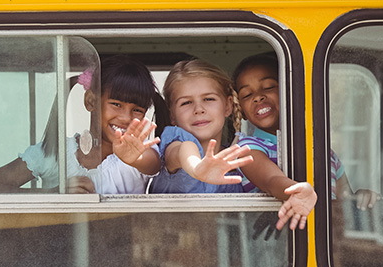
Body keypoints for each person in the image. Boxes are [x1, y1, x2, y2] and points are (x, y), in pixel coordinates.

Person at [130, 58, 314, 230]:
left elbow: (269, 181)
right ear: (172, 115)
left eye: (208, 99)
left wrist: (294, 192)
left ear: (228, 106)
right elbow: (183, 151)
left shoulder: (234, 157)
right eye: (186, 103)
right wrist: (196, 168)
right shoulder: (175, 140)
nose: (199, 109)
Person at [0, 57, 162, 195]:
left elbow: (153, 164)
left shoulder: (140, 152)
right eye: (116, 104)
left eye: (137, 110)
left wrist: (134, 159)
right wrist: (54, 194)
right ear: (90, 102)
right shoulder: (56, 152)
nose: (125, 117)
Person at [233, 52, 378, 211]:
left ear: (291, 92)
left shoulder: (327, 154)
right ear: (242, 112)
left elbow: (344, 199)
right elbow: (271, 180)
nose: (258, 97)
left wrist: (362, 197)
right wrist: (297, 191)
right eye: (247, 95)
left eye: (269, 87)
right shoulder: (247, 148)